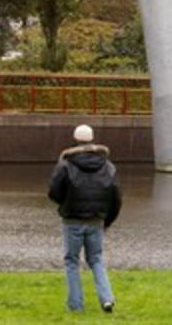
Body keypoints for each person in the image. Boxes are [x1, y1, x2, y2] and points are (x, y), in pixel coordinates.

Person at [48, 124, 122, 313]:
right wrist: (108, 221)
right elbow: (116, 198)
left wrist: (65, 204)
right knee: (96, 259)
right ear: (92, 140)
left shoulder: (65, 164)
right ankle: (107, 299)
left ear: (74, 139)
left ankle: (75, 305)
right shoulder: (108, 166)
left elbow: (53, 192)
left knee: (72, 261)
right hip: (96, 221)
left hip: (72, 220)